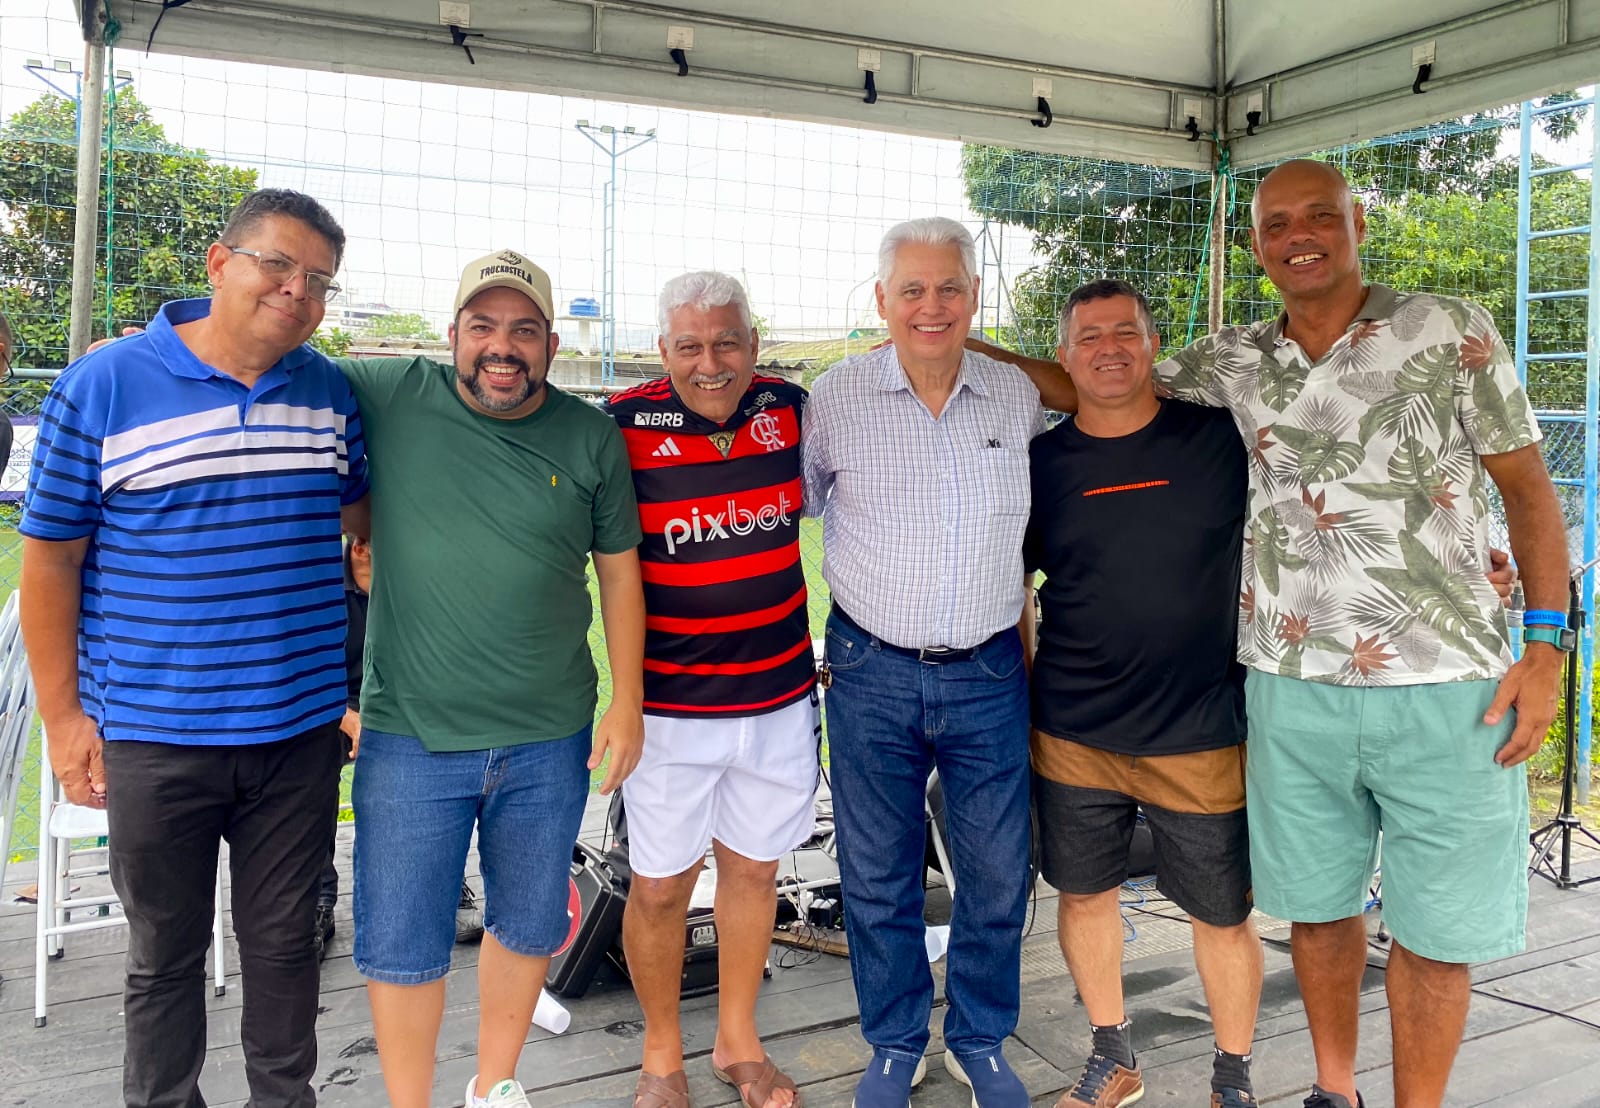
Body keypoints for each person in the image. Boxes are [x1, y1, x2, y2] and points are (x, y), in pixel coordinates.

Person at [989, 159, 1565, 1108]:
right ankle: (1333, 1092)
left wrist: (1546, 644)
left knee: (1437, 935)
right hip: (1289, 686)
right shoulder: (1235, 361)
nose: (1300, 236)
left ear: (1357, 223)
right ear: (1255, 244)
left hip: (1449, 681)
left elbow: (1528, 488)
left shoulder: (1450, 326)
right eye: (1278, 224)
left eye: (1319, 216)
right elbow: (1091, 381)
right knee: (1319, 915)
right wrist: (940, 342)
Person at [20, 189, 370, 1108]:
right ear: (220, 262)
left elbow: (361, 527)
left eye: (319, 280)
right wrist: (65, 719)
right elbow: (51, 561)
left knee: (286, 948)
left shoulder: (329, 392)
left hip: (297, 734)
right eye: (278, 265)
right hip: (153, 734)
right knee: (164, 955)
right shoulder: (103, 385)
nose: (297, 291)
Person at [339, 249, 646, 1108]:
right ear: (452, 335)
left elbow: (620, 574)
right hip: (411, 734)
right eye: (483, 326)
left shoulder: (590, 435)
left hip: (550, 735)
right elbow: (270, 357)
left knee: (529, 922)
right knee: (403, 941)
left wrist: (627, 701)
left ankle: (495, 1086)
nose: (501, 347)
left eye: (523, 330)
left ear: (551, 344)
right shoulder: (391, 391)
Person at [802, 217, 1042, 1108]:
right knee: (877, 874)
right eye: (912, 289)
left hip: (988, 670)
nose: (930, 306)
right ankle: (896, 1043)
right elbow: (792, 505)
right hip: (869, 669)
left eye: (948, 288)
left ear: (974, 297)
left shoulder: (1017, 397)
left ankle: (979, 1039)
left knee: (997, 870)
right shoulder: (835, 398)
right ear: (882, 300)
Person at [1023, 279, 1260, 1108]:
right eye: (1089, 337)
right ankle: (1112, 1055)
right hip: (1074, 727)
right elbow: (1011, 585)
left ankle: (1232, 1079)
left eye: (1125, 331)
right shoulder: (1041, 464)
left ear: (1155, 344)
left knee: (1222, 913)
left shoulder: (1222, 439)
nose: (1109, 348)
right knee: (1084, 895)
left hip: (1200, 726)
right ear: (1063, 356)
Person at [602, 271, 819, 1108]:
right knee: (659, 886)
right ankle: (661, 1058)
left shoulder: (791, 409)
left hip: (778, 698)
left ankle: (737, 1041)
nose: (711, 362)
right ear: (662, 350)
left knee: (754, 874)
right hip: (670, 708)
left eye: (728, 342)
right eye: (689, 346)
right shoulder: (621, 425)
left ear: (754, 344)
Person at [311, 536, 484, 961]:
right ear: (360, 549)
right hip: (332, 702)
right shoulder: (317, 579)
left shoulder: (420, 578)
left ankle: (445, 882)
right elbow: (301, 665)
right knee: (309, 766)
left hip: (399, 697)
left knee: (436, 751)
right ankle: (318, 898)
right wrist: (345, 715)